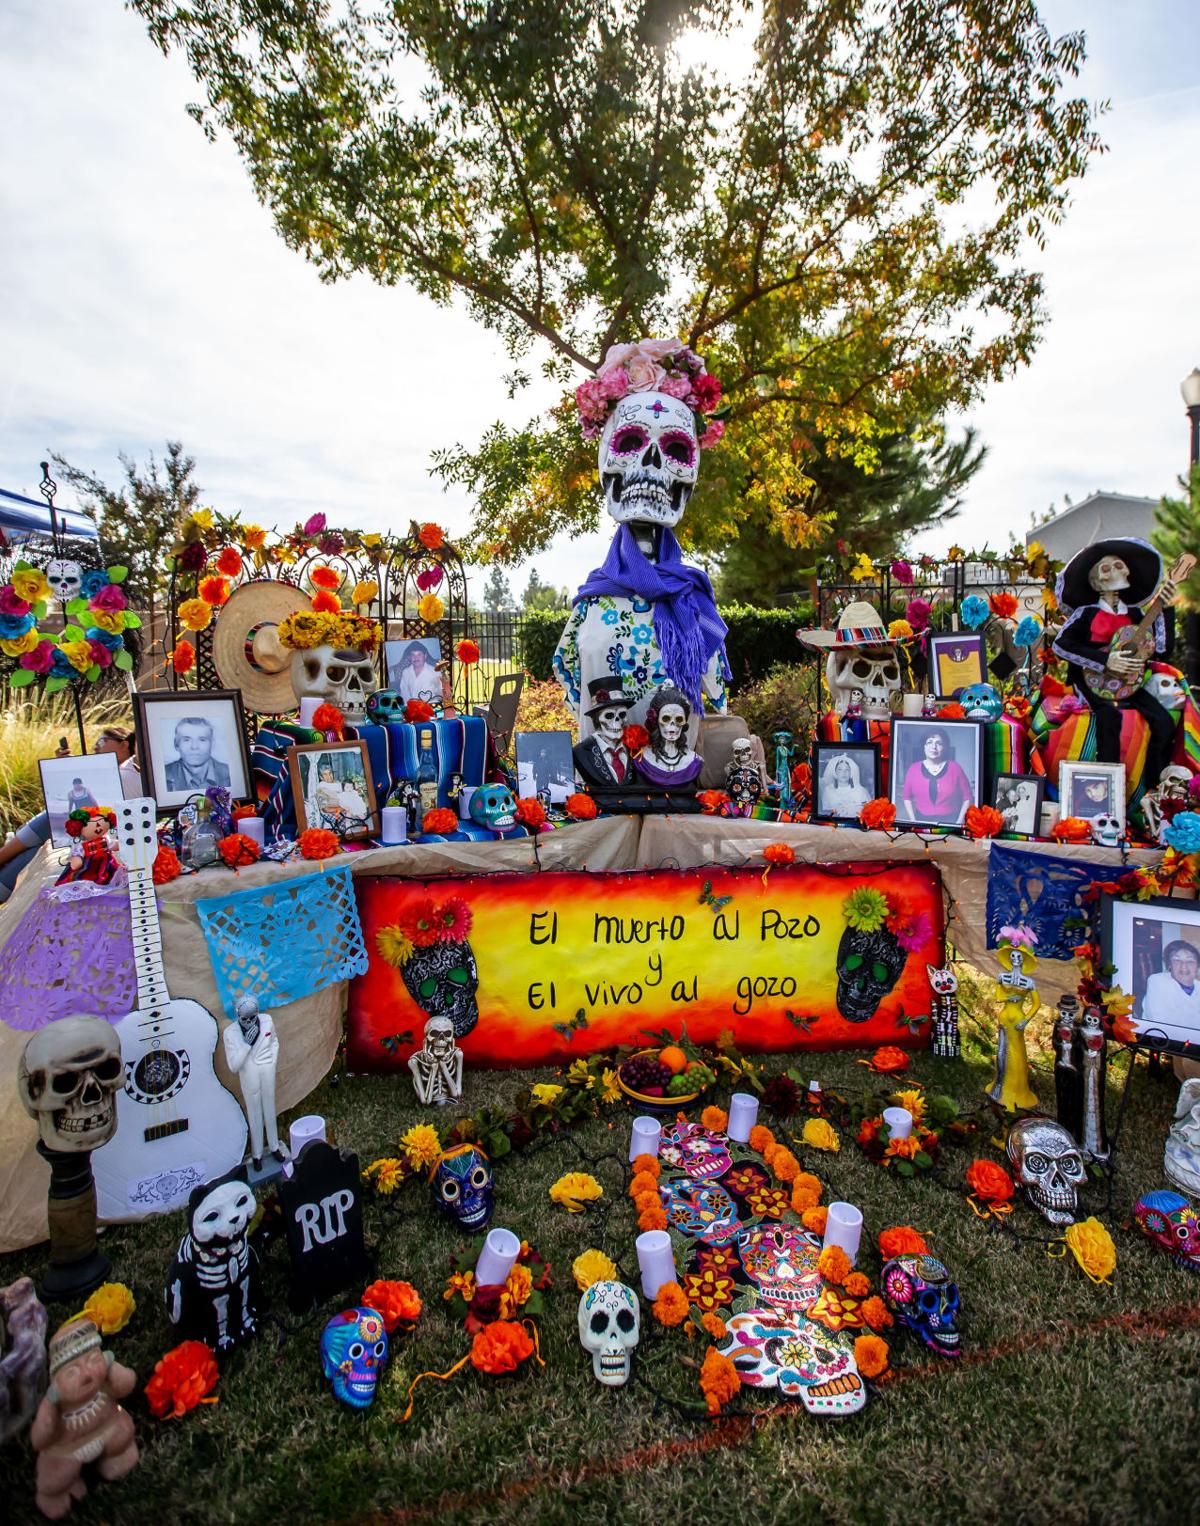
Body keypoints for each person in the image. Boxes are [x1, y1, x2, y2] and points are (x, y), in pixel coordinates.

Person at [1051, 537, 1179, 787]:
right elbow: (1061, 644)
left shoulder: (1134, 613)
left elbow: (1160, 649)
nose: (1116, 572)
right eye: (1106, 568)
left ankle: (1154, 786)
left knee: (1163, 721)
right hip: (1093, 680)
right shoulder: (1085, 613)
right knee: (1109, 716)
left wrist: (1163, 608)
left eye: (1120, 566)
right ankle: (1107, 788)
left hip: (1130, 681)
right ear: (1095, 581)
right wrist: (1104, 661)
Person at [0, 726, 138, 905]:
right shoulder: (106, 772)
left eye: (102, 741)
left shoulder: (127, 773)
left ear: (124, 745)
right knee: (35, 847)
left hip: (96, 831)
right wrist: (65, 766)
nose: (96, 746)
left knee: (38, 842)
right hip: (76, 827)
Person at [900, 727, 972, 825]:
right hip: (921, 821)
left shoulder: (955, 768)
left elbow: (967, 796)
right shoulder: (913, 769)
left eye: (939, 743)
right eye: (929, 742)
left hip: (950, 822)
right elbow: (906, 797)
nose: (934, 747)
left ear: (945, 747)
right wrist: (913, 820)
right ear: (924, 746)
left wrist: (959, 821)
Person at [1142, 939, 1200, 1033]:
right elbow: (1161, 1023)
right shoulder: (1157, 981)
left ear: (1197, 967)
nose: (1183, 966)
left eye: (1190, 961)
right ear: (1169, 965)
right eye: (1177, 960)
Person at [163, 716, 231, 792]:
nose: (194, 747)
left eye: (202, 740)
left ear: (212, 744)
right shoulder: (163, 775)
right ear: (176, 745)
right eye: (186, 740)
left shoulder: (229, 774)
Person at [820, 753, 871, 818]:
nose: (843, 773)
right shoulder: (828, 791)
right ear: (835, 773)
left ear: (851, 773)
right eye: (840, 769)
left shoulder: (861, 791)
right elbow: (825, 813)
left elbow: (867, 812)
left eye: (847, 770)